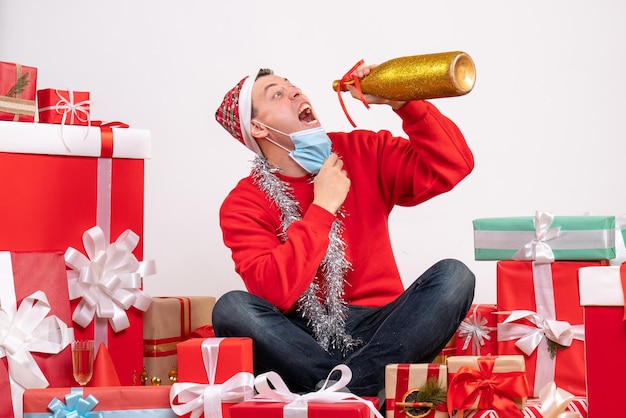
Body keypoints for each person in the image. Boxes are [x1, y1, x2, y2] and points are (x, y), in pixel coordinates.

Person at [212, 62, 475, 398]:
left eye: (292, 85)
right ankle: (359, 389)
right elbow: (274, 290)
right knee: (232, 309)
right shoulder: (243, 202)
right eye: (276, 94)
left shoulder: (362, 151)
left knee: (455, 276)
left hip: (383, 329)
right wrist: (323, 206)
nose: (295, 92)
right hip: (301, 340)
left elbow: (453, 164)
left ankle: (342, 392)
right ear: (258, 128)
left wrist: (403, 101)